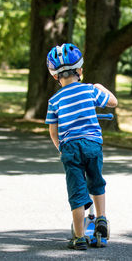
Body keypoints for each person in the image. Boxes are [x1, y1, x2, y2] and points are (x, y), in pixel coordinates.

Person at [45, 43, 118, 250]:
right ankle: (101, 218)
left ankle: (78, 238)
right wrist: (100, 87)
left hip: (69, 148)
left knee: (77, 191)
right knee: (96, 182)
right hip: (92, 144)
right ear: (80, 71)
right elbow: (113, 102)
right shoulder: (89, 90)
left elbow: (53, 130)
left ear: (55, 77)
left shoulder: (54, 100)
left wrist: (62, 148)